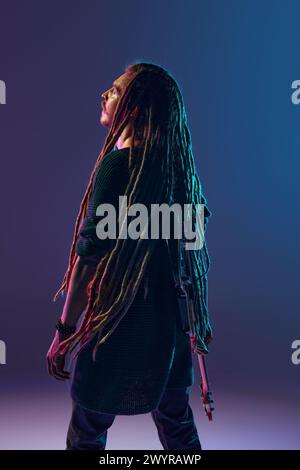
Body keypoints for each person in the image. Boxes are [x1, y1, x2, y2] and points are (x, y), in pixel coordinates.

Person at [46, 62, 213, 450]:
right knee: (177, 428)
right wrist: (196, 321)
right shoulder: (177, 172)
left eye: (115, 91)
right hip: (168, 330)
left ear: (133, 109)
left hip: (117, 326)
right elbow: (192, 257)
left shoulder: (118, 167)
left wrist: (64, 332)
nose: (104, 94)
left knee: (87, 433)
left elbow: (88, 259)